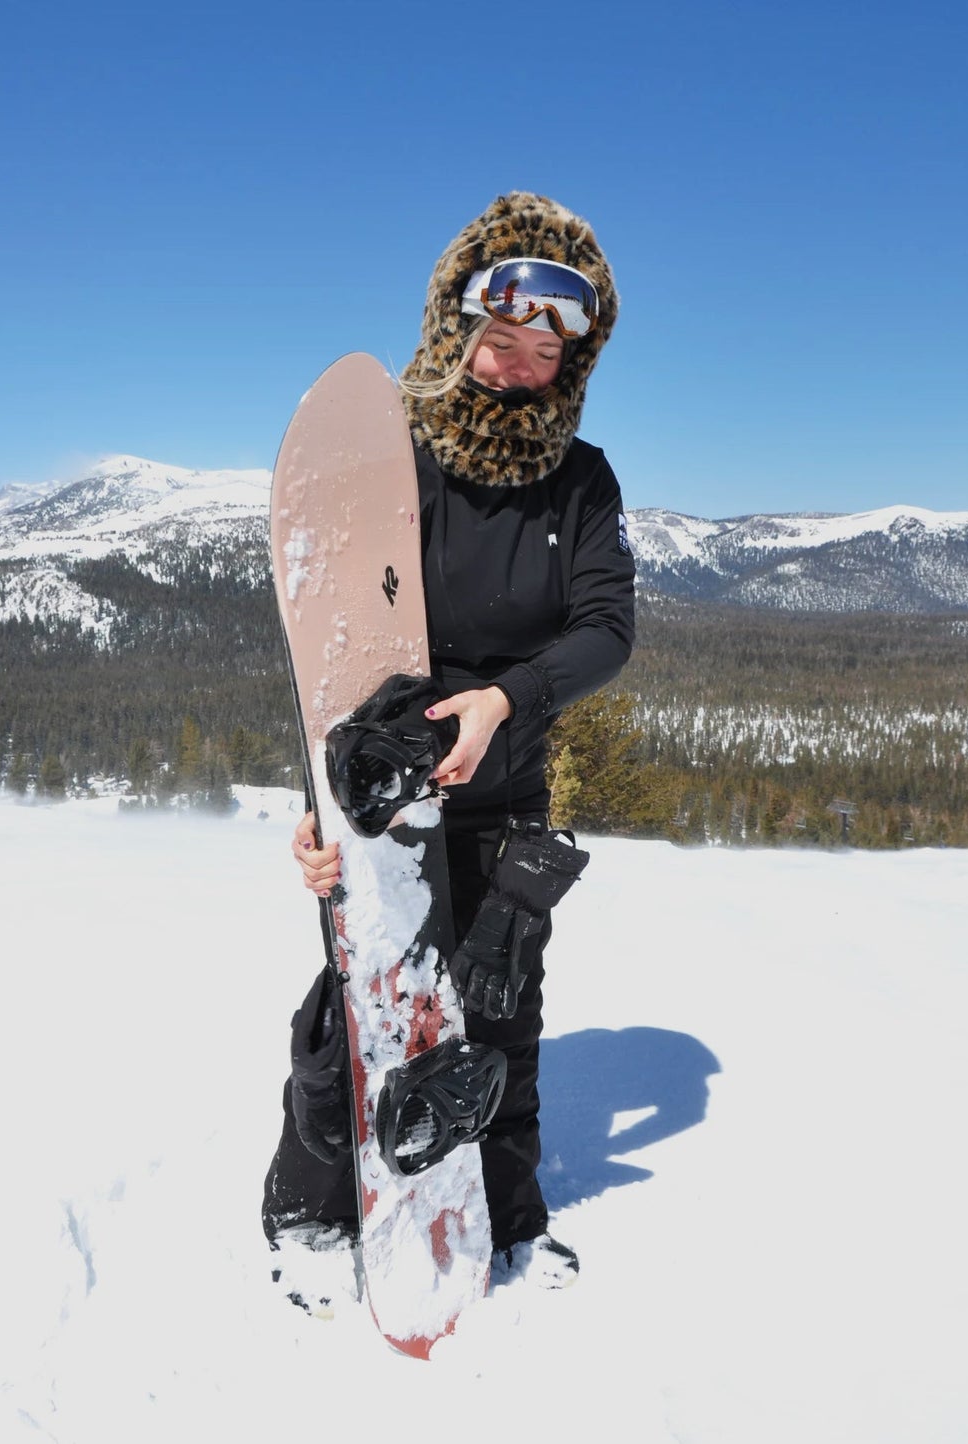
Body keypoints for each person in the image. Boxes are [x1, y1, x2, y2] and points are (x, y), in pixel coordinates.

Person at [262, 191, 635, 1303]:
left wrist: (503, 703)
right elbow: (329, 649)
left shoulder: (582, 482)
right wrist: (319, 816)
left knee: (500, 1019)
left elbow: (605, 630)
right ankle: (310, 1211)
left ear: (573, 361)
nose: (519, 366)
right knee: (360, 1015)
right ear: (455, 329)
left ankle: (509, 1216)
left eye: (543, 350)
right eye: (500, 339)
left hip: (504, 799)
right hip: (382, 811)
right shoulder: (395, 467)